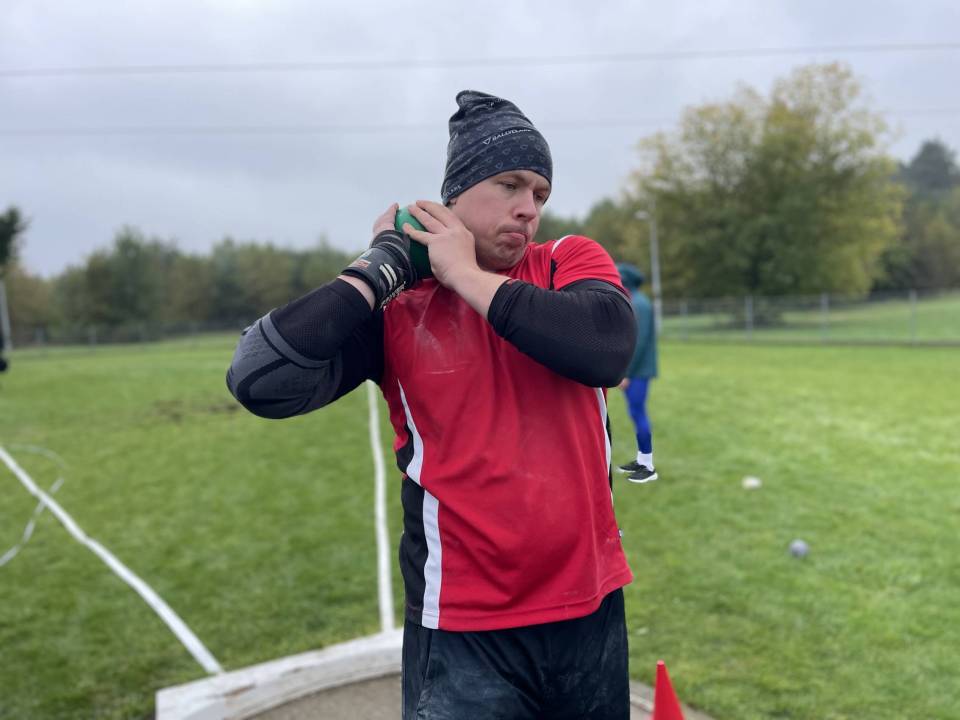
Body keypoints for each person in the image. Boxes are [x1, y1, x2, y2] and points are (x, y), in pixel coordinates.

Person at [227, 90, 638, 719]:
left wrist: (464, 274)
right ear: (455, 196)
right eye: (509, 185)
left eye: (540, 194)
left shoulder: (565, 262)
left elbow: (605, 348)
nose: (529, 209)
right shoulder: (401, 308)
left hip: (591, 609)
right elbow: (260, 379)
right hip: (462, 629)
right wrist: (384, 265)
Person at [615, 263, 658, 483]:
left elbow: (638, 343)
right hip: (636, 370)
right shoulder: (635, 300)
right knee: (635, 413)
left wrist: (626, 373)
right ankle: (642, 459)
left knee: (638, 413)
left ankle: (648, 467)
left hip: (638, 371)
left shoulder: (639, 304)